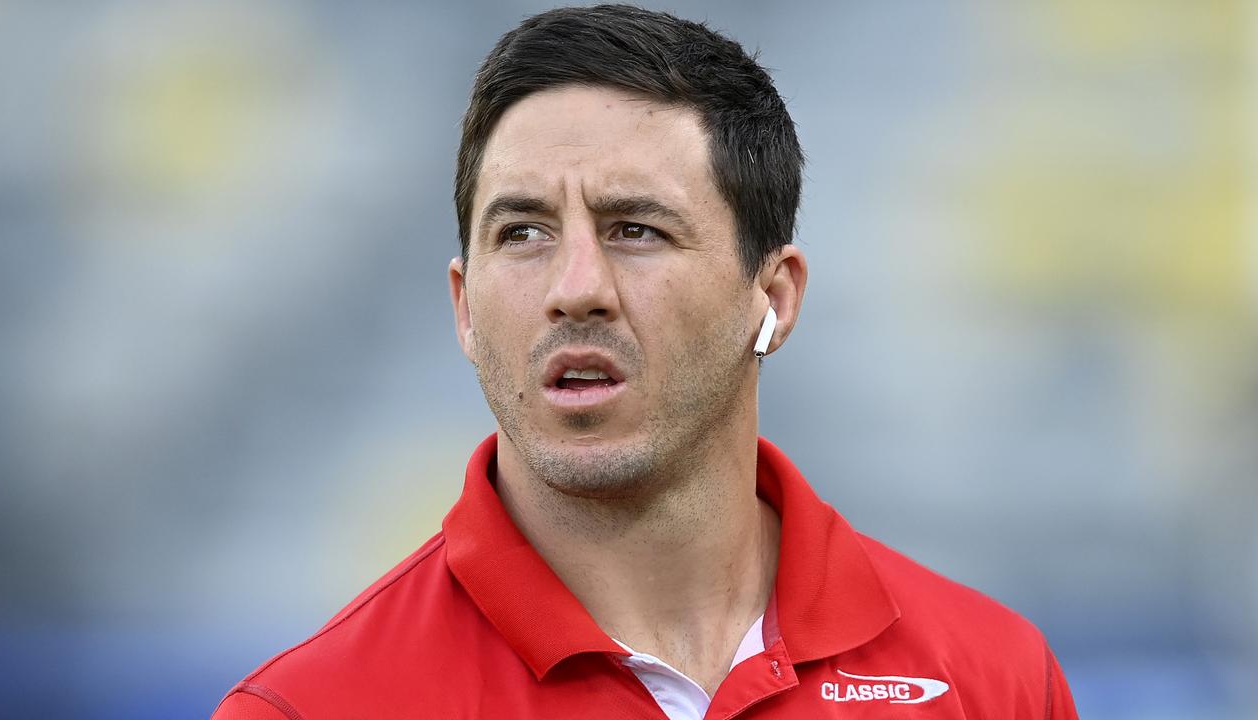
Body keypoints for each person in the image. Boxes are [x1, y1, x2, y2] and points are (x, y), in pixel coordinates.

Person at [213, 5, 1078, 719]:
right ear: (464, 306)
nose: (575, 288)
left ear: (772, 298)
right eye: (522, 233)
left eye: (636, 229)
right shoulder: (311, 708)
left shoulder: (991, 680)